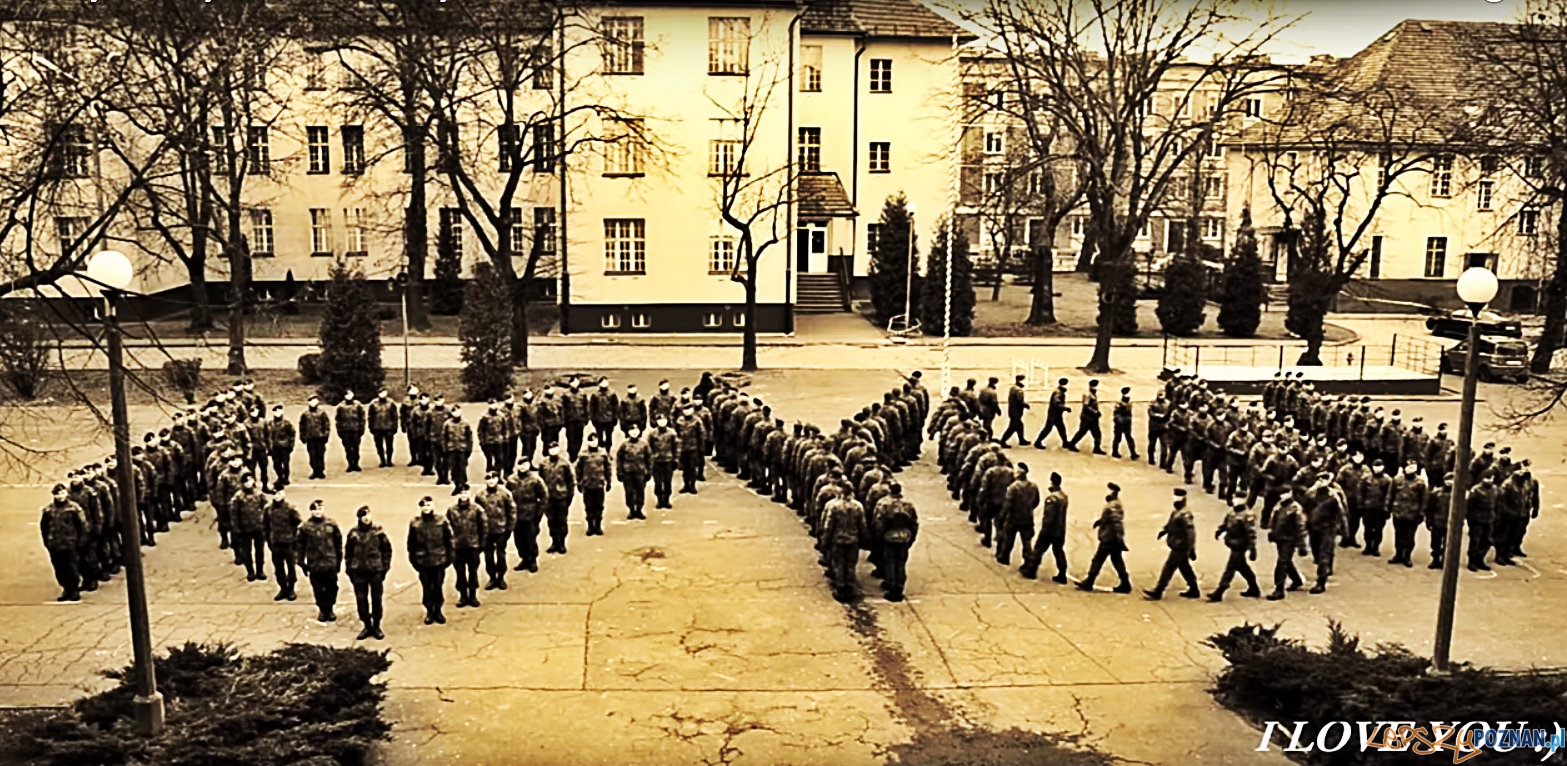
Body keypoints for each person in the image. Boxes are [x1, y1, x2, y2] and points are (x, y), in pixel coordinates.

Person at [344, 506, 391, 640]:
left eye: (368, 515)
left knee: (377, 599)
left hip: (375, 571)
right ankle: (367, 625)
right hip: (358, 571)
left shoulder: (378, 532)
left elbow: (387, 551)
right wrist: (349, 570)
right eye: (363, 516)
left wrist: (384, 568)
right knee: (361, 599)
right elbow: (348, 552)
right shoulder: (353, 533)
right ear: (359, 518)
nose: (366, 518)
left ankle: (376, 626)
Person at [1145, 488, 1200, 600]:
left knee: (1169, 567)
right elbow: (1171, 524)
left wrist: (1192, 549)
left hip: (1181, 546)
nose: (1175, 500)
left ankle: (1158, 590)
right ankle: (1194, 589)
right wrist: (1164, 531)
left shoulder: (1185, 514)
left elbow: (1190, 533)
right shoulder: (1176, 512)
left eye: (1178, 498)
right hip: (1177, 544)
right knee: (1184, 567)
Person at [1077, 483, 1132, 593]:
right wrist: (1100, 521)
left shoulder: (1113, 505)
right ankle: (1125, 583)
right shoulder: (1113, 504)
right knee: (1117, 561)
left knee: (1098, 560)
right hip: (1111, 537)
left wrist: (1119, 539)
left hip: (1110, 538)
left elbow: (1116, 523)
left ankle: (1089, 581)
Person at [408, 497, 454, 625]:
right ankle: (429, 611)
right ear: (421, 508)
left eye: (428, 505)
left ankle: (438, 610)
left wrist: (449, 558)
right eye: (424, 506)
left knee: (438, 586)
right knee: (427, 588)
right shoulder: (415, 524)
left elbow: (449, 540)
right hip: (423, 561)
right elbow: (411, 544)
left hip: (439, 560)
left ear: (432, 506)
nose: (426, 508)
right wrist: (414, 560)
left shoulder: (441, 521)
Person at [296, 500, 344, 622]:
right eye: (316, 509)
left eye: (320, 509)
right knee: (318, 588)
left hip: (330, 562)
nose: (318, 512)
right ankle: (322, 610)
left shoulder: (331, 524)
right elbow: (300, 545)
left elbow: (338, 543)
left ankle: (330, 608)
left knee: (332, 587)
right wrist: (301, 562)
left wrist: (338, 561)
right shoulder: (305, 527)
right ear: (311, 511)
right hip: (315, 563)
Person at [871, 482, 919, 601]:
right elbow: (914, 523)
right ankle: (899, 587)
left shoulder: (884, 503)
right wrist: (911, 538)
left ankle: (891, 587)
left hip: (889, 536)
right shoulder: (908, 504)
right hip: (904, 536)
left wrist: (879, 537)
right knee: (901, 563)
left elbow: (878, 522)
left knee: (890, 562)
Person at [1207, 500, 1262, 601]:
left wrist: (1252, 548)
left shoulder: (1247, 515)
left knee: (1230, 569)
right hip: (1233, 544)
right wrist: (1220, 531)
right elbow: (1226, 523)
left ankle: (1220, 591)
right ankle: (1254, 588)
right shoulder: (1232, 512)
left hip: (1240, 545)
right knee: (1242, 567)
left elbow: (1251, 533)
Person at [40, 483, 86, 602]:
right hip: (55, 544)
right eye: (57, 494)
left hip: (70, 543)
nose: (60, 496)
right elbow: (44, 528)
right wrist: (47, 542)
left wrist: (81, 541)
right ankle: (66, 589)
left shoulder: (73, 508)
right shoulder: (48, 510)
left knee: (72, 567)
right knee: (59, 569)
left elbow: (81, 525)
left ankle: (74, 589)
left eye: (62, 493)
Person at [821, 487, 869, 603]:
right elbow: (862, 525)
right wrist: (864, 539)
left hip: (838, 540)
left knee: (839, 564)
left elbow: (829, 526)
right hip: (853, 540)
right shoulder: (858, 506)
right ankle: (850, 587)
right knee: (851, 564)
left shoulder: (834, 506)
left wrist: (825, 541)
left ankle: (840, 588)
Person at [1020, 472, 1069, 582]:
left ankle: (1031, 570)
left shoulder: (1052, 498)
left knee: (1038, 550)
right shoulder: (1064, 496)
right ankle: (1062, 573)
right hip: (1060, 530)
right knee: (1058, 551)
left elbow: (1049, 517)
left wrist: (1044, 530)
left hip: (1050, 530)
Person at [475, 472, 516, 588]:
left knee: (501, 554)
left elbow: (512, 512)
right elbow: (476, 513)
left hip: (501, 529)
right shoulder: (480, 495)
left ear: (497, 479)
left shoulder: (505, 494)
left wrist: (509, 528)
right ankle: (492, 577)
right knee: (488, 555)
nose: (491, 481)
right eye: (488, 479)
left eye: (493, 479)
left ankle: (501, 577)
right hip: (486, 531)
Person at [1265, 489, 1308, 600]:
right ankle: (1296, 580)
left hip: (1289, 539)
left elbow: (1301, 527)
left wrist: (1302, 545)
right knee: (1286, 561)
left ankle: (1279, 589)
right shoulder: (1280, 506)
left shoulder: (1295, 509)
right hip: (1280, 538)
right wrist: (1271, 532)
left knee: (1282, 562)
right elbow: (1273, 519)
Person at [507, 460, 548, 572]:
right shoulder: (512, 480)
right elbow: (507, 497)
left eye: (525, 465)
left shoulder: (535, 480)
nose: (522, 467)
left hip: (530, 514)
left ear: (528, 465)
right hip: (516, 514)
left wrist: (539, 513)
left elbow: (544, 496)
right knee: (519, 540)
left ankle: (532, 560)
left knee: (530, 539)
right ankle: (524, 559)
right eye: (520, 465)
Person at [995, 463, 1038, 568]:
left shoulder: (1013, 488)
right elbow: (1036, 501)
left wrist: (1002, 516)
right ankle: (1028, 561)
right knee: (1026, 542)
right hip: (1027, 517)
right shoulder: (1033, 486)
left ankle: (1004, 557)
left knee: (1008, 539)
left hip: (1013, 518)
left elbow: (1008, 504)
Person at [1386, 462, 1429, 567]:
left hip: (1412, 514)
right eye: (1408, 466)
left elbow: (1424, 499)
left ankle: (1407, 556)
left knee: (1409, 537)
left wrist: (1422, 513)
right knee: (1398, 535)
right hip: (1398, 512)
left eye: (1413, 467)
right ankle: (1398, 554)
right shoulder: (1397, 480)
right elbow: (1390, 494)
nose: (1410, 469)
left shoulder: (1420, 483)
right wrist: (1388, 508)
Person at [263, 488, 301, 601]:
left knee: (291, 567)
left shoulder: (290, 508)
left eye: (279, 493)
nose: (277, 496)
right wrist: (268, 540)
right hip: (275, 542)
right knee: (278, 568)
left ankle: (291, 589)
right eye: (275, 493)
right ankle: (283, 588)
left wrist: (295, 541)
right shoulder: (268, 508)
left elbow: (298, 524)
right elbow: (265, 526)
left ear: (283, 493)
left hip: (289, 542)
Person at [230, 474, 268, 582]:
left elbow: (266, 509)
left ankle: (260, 570)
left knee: (260, 551)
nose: (248, 483)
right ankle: (250, 572)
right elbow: (234, 514)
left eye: (250, 481)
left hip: (258, 528)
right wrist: (236, 528)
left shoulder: (259, 494)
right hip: (244, 529)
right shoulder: (238, 497)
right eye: (246, 482)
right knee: (247, 552)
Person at [540, 445, 575, 554]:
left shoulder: (564, 464)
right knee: (551, 521)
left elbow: (570, 481)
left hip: (561, 497)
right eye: (551, 449)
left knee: (562, 521)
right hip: (549, 498)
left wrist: (569, 497)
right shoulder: (543, 464)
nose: (553, 451)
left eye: (555, 449)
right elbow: (540, 482)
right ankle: (554, 542)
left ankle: (561, 543)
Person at [576, 435, 613, 536]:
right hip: (587, 484)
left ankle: (598, 525)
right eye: (591, 441)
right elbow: (578, 469)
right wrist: (578, 482)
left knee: (599, 506)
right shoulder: (583, 455)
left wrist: (609, 481)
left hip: (599, 484)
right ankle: (590, 526)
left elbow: (608, 468)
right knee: (589, 506)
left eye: (595, 441)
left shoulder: (603, 453)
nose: (593, 443)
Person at [617, 426, 652, 520]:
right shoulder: (624, 444)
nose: (634, 433)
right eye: (632, 431)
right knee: (629, 491)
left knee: (640, 491)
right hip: (627, 471)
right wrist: (619, 472)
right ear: (628, 432)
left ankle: (639, 509)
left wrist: (649, 471)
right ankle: (631, 509)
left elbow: (648, 458)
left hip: (640, 471)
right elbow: (619, 459)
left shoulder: (644, 444)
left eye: (635, 431)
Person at [1465, 473, 1498, 571]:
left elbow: (1497, 504)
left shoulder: (1495, 489)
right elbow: (1469, 506)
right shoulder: (1476, 490)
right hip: (1477, 519)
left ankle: (1480, 559)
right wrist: (1470, 520)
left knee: (1487, 540)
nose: (1489, 480)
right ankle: (1472, 561)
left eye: (1491, 478)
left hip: (1489, 518)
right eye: (1487, 478)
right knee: (1475, 541)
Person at [1066, 379, 1104, 454]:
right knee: (1082, 432)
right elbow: (1086, 406)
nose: (1096, 388)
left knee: (1097, 433)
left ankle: (1097, 448)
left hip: (1093, 418)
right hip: (1087, 418)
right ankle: (1072, 444)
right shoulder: (1087, 395)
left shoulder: (1093, 395)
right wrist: (1095, 412)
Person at [443, 407, 475, 494]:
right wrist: (445, 449)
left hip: (462, 449)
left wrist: (469, 449)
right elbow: (444, 437)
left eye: (457, 411)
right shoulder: (447, 424)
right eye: (454, 412)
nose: (456, 413)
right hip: (451, 449)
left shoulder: (465, 424)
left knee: (462, 468)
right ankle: (457, 485)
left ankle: (463, 483)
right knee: (454, 469)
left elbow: (469, 437)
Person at [649, 416, 678, 509]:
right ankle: (659, 500)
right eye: (659, 421)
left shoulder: (672, 433)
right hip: (656, 461)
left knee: (667, 482)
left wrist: (676, 459)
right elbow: (649, 448)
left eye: (663, 420)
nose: (662, 422)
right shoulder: (652, 434)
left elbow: (676, 447)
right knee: (658, 482)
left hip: (668, 460)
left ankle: (666, 500)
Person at [1033, 378, 1071, 449]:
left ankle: (1065, 442)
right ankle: (1038, 442)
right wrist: (1065, 408)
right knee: (1048, 428)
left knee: (1061, 428)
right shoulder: (1058, 393)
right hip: (1054, 414)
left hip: (1057, 414)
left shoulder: (1060, 392)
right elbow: (1056, 403)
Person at [299, 397, 330, 480]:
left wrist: (326, 435)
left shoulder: (322, 413)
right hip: (310, 437)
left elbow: (326, 425)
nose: (312, 403)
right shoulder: (305, 414)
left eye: (314, 401)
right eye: (311, 402)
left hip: (320, 437)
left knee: (320, 454)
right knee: (312, 455)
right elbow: (302, 426)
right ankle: (314, 470)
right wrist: (302, 436)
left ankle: (320, 471)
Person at [676, 405, 705, 495]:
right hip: (683, 447)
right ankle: (686, 485)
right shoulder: (679, 420)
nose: (687, 412)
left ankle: (692, 485)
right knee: (684, 468)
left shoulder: (697, 421)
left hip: (693, 447)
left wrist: (701, 448)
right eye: (685, 410)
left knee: (692, 468)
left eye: (689, 409)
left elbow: (701, 434)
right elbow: (676, 433)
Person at [336, 391, 367, 473]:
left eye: (350, 394)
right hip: (345, 430)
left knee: (356, 448)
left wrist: (361, 428)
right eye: (347, 395)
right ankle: (350, 464)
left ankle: (356, 464)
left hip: (355, 430)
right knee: (348, 449)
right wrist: (339, 430)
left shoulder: (358, 405)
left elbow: (362, 417)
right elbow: (338, 420)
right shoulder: (341, 406)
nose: (349, 396)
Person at [267, 405, 295, 489]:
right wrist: (269, 447)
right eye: (276, 412)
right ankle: (280, 477)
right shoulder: (270, 424)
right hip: (274, 447)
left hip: (284, 447)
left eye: (279, 411)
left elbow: (292, 434)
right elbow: (267, 436)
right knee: (276, 464)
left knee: (285, 463)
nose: (278, 413)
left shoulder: (286, 423)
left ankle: (285, 478)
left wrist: (291, 445)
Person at [562, 377, 590, 460]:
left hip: (580, 419)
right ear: (570, 383)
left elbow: (586, 406)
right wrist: (563, 420)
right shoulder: (565, 394)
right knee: (570, 438)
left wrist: (586, 417)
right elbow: (563, 407)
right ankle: (571, 454)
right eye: (573, 382)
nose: (575, 384)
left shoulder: (582, 393)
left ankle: (576, 452)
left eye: (576, 382)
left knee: (579, 438)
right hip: (570, 420)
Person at [479, 401, 509, 476]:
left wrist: (505, 438)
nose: (493, 406)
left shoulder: (501, 416)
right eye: (492, 405)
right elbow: (480, 430)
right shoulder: (485, 417)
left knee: (499, 460)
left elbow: (505, 428)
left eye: (495, 404)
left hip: (499, 441)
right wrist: (482, 441)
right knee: (489, 460)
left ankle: (497, 476)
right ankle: (489, 476)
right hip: (488, 442)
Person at [999, 375, 1029, 447]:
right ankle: (1003, 441)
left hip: (1012, 410)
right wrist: (1025, 405)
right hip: (1016, 412)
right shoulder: (1018, 390)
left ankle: (1021, 440)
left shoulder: (1013, 388)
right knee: (1013, 427)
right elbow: (1019, 401)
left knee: (1020, 425)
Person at [590, 377, 620, 448]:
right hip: (598, 420)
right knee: (599, 437)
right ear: (599, 383)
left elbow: (616, 406)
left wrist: (615, 417)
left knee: (609, 437)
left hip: (609, 420)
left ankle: (608, 451)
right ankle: (600, 452)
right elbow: (592, 407)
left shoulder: (612, 394)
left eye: (605, 382)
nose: (604, 384)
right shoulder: (595, 395)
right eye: (602, 382)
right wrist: (593, 418)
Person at [1111, 387, 1138, 460]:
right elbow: (1116, 413)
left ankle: (1133, 453)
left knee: (1129, 438)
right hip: (1120, 423)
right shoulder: (1119, 403)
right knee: (1117, 438)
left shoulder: (1129, 403)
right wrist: (1119, 420)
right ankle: (1114, 452)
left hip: (1127, 423)